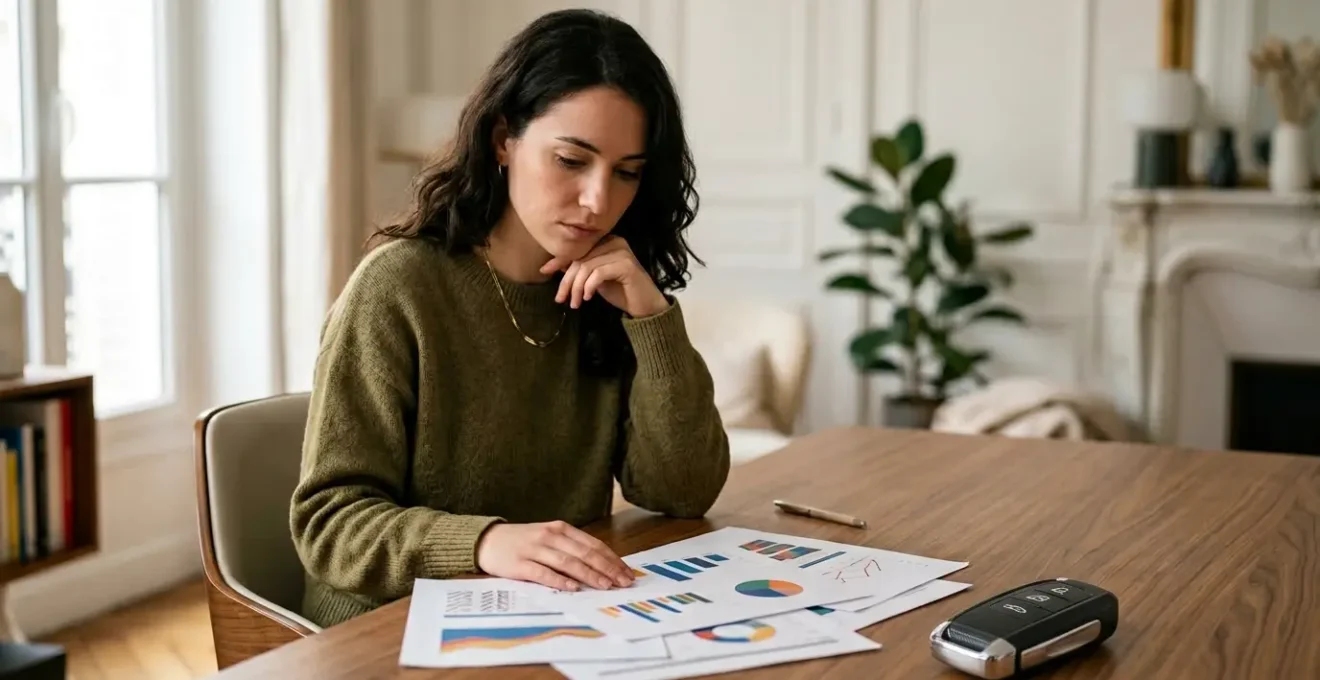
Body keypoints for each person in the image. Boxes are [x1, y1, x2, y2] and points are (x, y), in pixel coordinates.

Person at [288, 8, 731, 629]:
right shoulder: (399, 288)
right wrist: (485, 543)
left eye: (627, 173)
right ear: (503, 140)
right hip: (388, 632)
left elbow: (682, 492)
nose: (599, 201)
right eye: (572, 160)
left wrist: (652, 318)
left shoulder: (606, 295)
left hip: (547, 622)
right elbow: (330, 524)